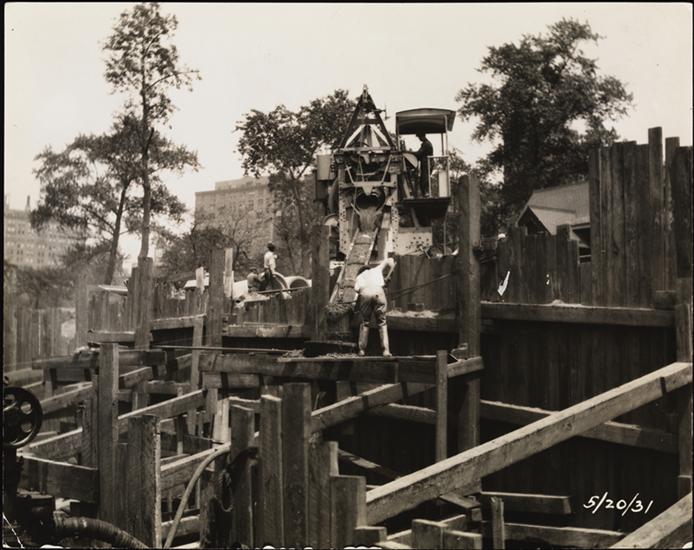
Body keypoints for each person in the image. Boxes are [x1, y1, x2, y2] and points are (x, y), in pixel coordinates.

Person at [354, 257, 396, 357]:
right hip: (378, 292)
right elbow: (390, 260)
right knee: (382, 322)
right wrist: (391, 272)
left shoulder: (359, 277)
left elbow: (357, 290)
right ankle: (386, 351)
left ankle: (362, 350)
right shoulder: (376, 269)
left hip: (365, 294)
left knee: (365, 322)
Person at [414, 131, 434, 197]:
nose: (419, 139)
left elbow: (419, 154)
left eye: (419, 137)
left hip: (427, 163)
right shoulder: (425, 144)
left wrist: (409, 152)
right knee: (422, 180)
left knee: (424, 180)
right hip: (425, 163)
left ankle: (426, 193)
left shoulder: (427, 144)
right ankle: (425, 194)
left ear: (422, 136)